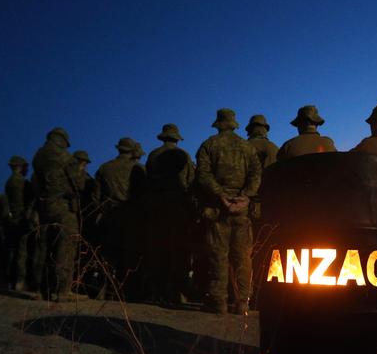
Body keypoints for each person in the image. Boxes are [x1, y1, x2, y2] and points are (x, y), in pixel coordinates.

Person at [196, 108, 262, 314]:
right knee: (242, 256)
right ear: (233, 124)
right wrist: (245, 196)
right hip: (241, 210)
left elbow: (203, 175)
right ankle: (242, 302)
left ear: (218, 124)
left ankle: (218, 302)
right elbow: (256, 173)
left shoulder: (209, 145)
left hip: (217, 209)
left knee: (218, 255)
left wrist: (221, 195)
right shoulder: (247, 147)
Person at [32, 127, 84, 302]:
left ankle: (40, 290)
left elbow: (35, 182)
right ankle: (62, 290)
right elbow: (79, 183)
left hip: (44, 205)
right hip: (63, 206)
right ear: (61, 140)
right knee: (66, 246)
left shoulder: (38, 157)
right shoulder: (64, 157)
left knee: (43, 247)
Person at [145, 124, 195, 304]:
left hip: (156, 206)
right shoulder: (184, 156)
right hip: (177, 206)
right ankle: (176, 292)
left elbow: (147, 180)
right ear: (177, 139)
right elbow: (190, 182)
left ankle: (155, 291)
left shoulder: (153, 155)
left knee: (157, 247)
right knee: (179, 249)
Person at [93, 137, 146, 298]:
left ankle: (103, 289)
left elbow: (95, 196)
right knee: (129, 255)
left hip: (109, 216)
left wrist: (102, 210)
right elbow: (143, 195)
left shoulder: (105, 168)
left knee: (107, 254)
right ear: (132, 151)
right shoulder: (138, 169)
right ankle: (124, 292)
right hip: (131, 217)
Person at [5, 156, 32, 290]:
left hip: (13, 219)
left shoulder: (9, 182)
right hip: (20, 219)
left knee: (13, 251)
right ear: (20, 167)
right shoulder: (20, 182)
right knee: (21, 252)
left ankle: (10, 280)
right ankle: (20, 281)